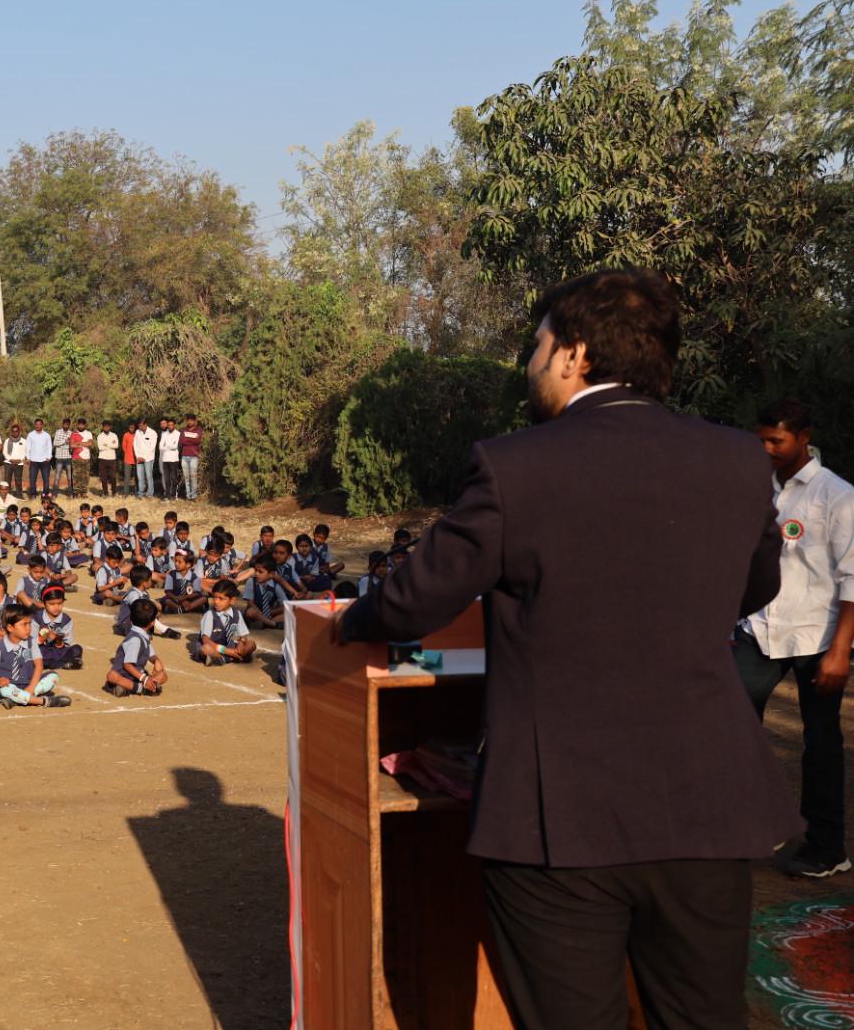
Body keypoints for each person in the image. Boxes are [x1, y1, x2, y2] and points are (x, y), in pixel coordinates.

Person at [333, 268, 795, 1030]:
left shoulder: (517, 465)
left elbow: (419, 598)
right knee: (704, 1016)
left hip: (562, 813)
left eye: (538, 345)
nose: (531, 363)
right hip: (707, 801)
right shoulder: (738, 459)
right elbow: (756, 587)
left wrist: (356, 618)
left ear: (574, 354)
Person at [735, 398, 852, 879]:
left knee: (820, 742)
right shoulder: (756, 488)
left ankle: (827, 847)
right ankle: (754, 825)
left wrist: (841, 650)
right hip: (757, 628)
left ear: (803, 438)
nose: (765, 449)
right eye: (759, 439)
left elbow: (853, 577)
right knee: (733, 727)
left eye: (775, 441)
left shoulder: (837, 495)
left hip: (816, 635)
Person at [0, 604, 72, 709]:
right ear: (10, 627)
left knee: (53, 676)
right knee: (5, 690)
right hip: (9, 686)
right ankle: (44, 701)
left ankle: (18, 699)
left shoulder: (32, 643)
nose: (29, 628)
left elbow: (39, 665)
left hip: (29, 683)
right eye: (24, 624)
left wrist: (31, 687)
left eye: (30, 624)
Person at [105, 598, 166, 697]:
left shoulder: (143, 636)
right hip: (124, 674)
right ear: (152, 623)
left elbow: (151, 655)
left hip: (137, 675)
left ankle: (133, 687)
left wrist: (156, 661)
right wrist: (144, 679)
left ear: (131, 620)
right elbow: (127, 665)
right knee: (112, 676)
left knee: (163, 675)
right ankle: (142, 688)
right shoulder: (135, 640)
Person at [179, 414, 203, 500]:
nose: (189, 422)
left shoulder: (198, 430)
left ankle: (194, 496)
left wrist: (188, 440)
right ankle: (188, 496)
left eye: (191, 420)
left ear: (194, 421)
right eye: (188, 420)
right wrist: (192, 440)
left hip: (194, 456)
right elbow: (182, 441)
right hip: (184, 456)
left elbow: (198, 440)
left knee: (193, 477)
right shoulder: (183, 430)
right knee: (186, 477)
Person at [132, 418, 158, 498]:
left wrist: (145, 458)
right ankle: (141, 494)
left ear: (145, 424)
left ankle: (150, 493)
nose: (140, 427)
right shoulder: (137, 432)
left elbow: (152, 447)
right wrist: (138, 456)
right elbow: (135, 445)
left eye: (141, 425)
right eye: (138, 426)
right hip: (139, 458)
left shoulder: (153, 433)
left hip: (149, 458)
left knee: (149, 476)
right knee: (140, 477)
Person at [158, 417, 182, 499]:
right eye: (169, 425)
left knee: (174, 478)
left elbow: (175, 446)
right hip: (165, 459)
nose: (170, 426)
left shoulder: (178, 434)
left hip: (174, 459)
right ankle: (167, 495)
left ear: (174, 425)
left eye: (172, 425)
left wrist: (166, 445)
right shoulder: (164, 434)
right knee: (167, 478)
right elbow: (160, 447)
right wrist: (169, 446)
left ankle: (174, 494)